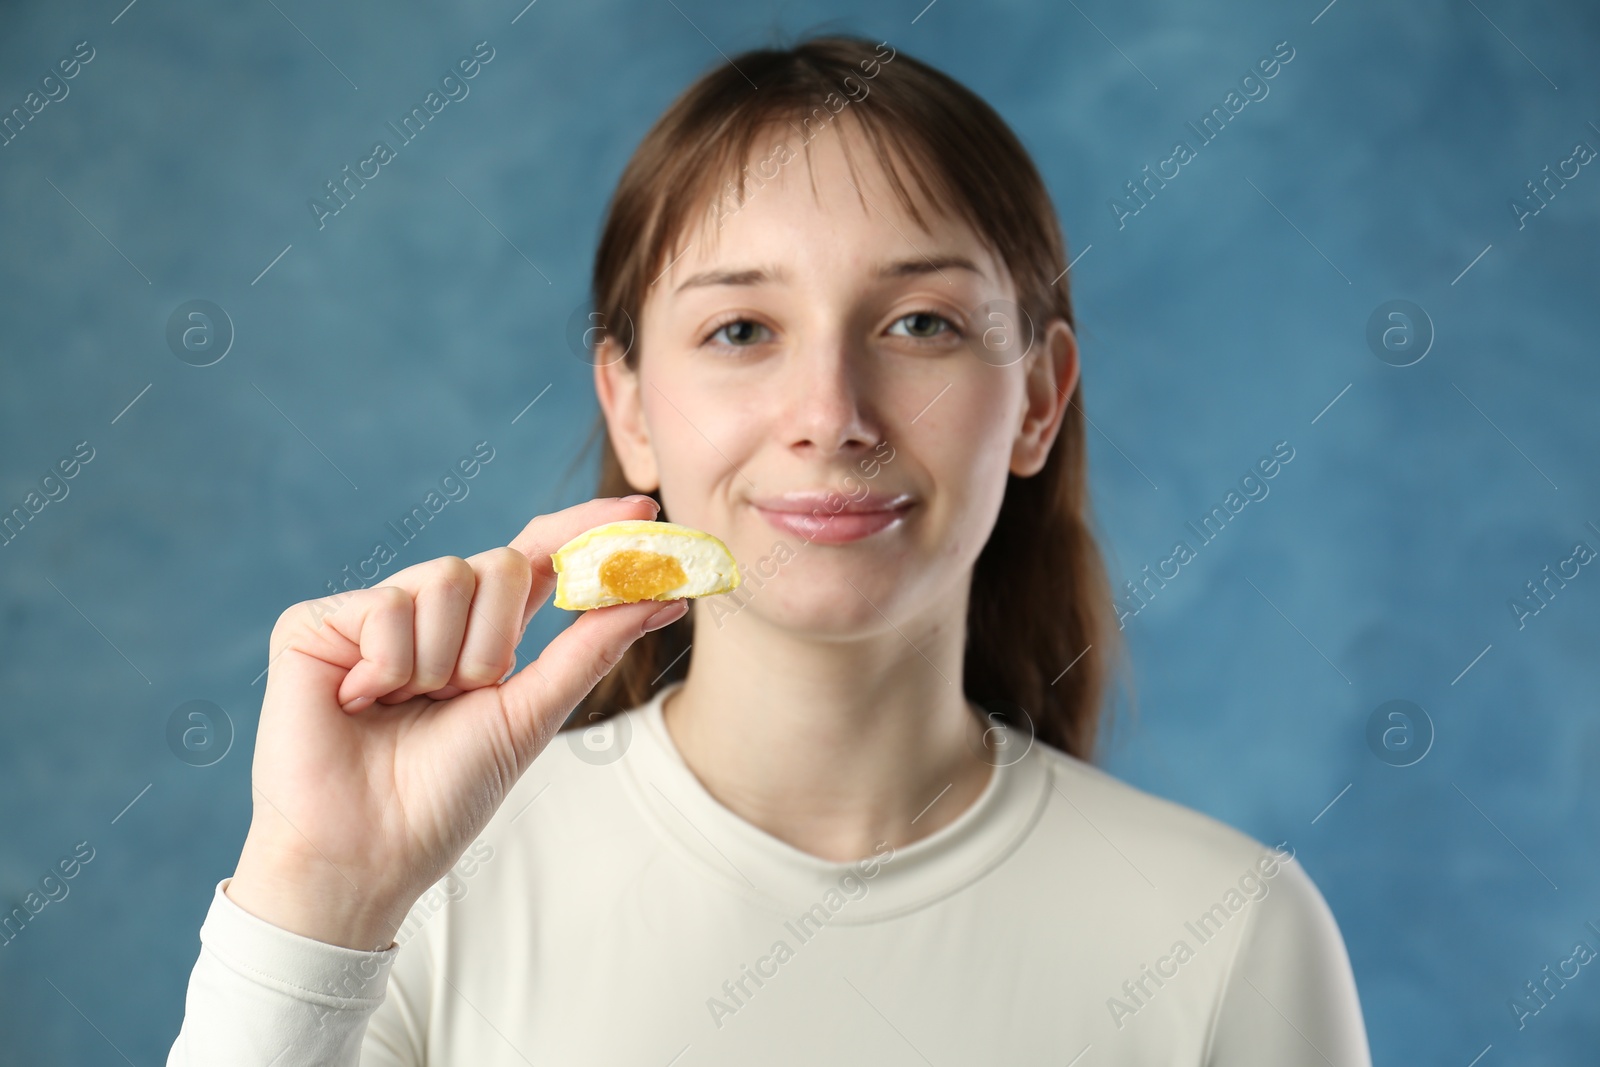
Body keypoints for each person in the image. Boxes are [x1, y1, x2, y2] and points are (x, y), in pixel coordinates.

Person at [166, 33, 1372, 1066]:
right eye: (740, 327)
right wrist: (319, 894)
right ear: (629, 404)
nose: (831, 411)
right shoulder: (421, 891)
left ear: (1040, 401)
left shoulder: (1231, 934)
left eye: (919, 323)